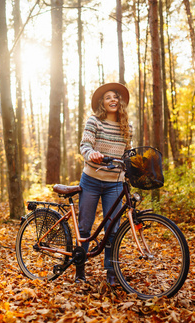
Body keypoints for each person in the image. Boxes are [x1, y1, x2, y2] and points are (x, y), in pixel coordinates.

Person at [76, 82, 133, 285]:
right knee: (84, 227)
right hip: (91, 180)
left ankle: (111, 273)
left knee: (113, 229)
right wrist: (92, 153)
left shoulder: (128, 127)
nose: (113, 100)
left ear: (120, 102)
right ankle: (79, 270)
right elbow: (85, 144)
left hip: (115, 183)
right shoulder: (94, 122)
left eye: (115, 97)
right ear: (102, 102)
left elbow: (128, 153)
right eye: (108, 97)